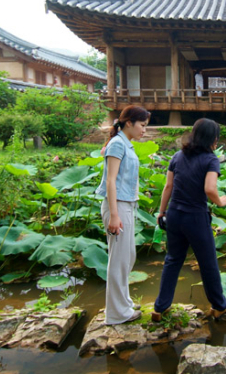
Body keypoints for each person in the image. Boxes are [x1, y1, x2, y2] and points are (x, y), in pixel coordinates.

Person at [153, 118, 226, 321]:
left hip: (174, 215)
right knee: (208, 263)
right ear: (213, 139)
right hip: (195, 218)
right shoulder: (211, 159)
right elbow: (209, 189)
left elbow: (168, 187)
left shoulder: (177, 156)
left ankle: (159, 308)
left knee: (172, 260)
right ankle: (219, 305)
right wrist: (220, 202)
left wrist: (161, 212)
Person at [95, 105, 151, 325]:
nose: (144, 131)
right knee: (118, 260)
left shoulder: (125, 144)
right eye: (143, 125)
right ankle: (117, 314)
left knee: (127, 257)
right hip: (117, 206)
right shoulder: (118, 144)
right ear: (129, 123)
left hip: (127, 204)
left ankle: (123, 304)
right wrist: (114, 216)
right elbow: (111, 180)